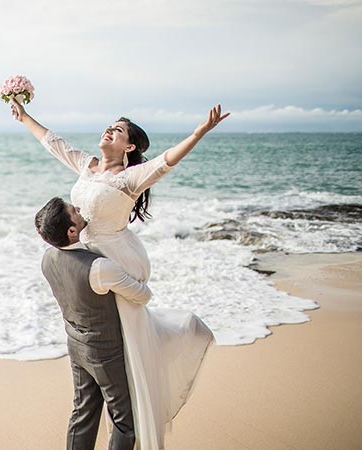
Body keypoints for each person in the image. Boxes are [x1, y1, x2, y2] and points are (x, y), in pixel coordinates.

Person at [14, 99, 224, 449]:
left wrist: (199, 133)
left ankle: (126, 408)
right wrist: (24, 118)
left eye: (119, 130)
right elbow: (54, 142)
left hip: (111, 256)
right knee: (97, 339)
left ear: (128, 146)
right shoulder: (88, 166)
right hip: (83, 254)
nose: (109, 130)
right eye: (110, 125)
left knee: (124, 339)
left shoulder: (130, 178)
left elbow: (166, 161)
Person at [35, 196, 153, 450]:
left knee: (83, 412)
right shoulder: (99, 268)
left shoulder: (47, 259)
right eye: (74, 210)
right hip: (105, 351)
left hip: (76, 346)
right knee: (124, 420)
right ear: (72, 231)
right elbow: (143, 295)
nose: (79, 209)